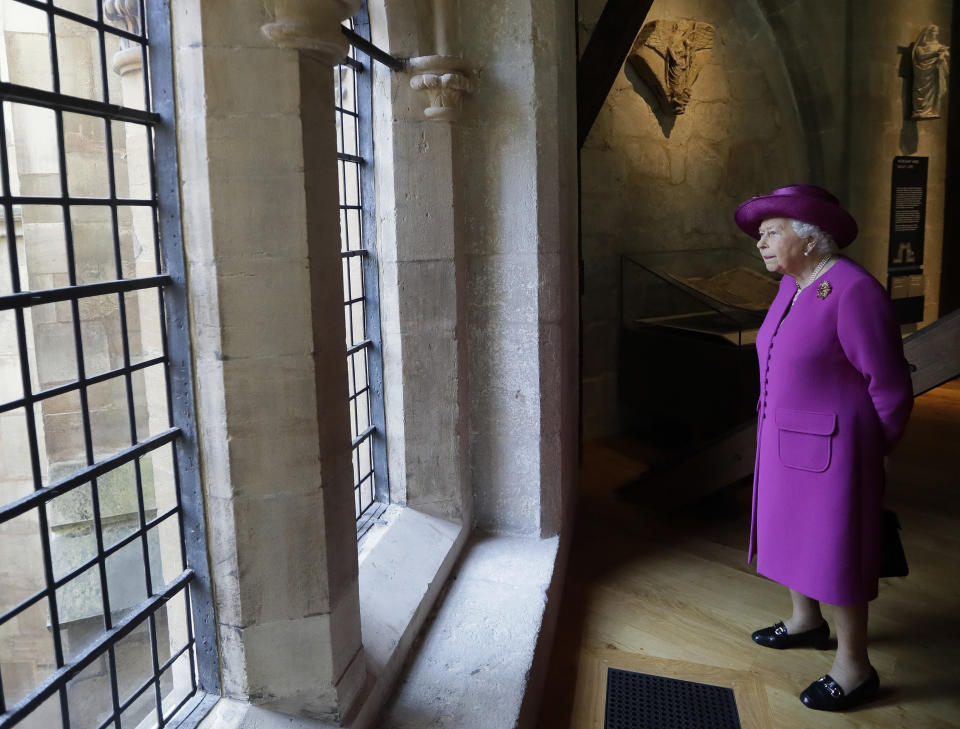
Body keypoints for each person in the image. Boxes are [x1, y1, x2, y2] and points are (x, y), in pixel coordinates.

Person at [734, 184, 914, 711]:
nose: (761, 243)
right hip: (786, 439)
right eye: (761, 235)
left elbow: (889, 383)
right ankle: (806, 622)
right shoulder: (793, 285)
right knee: (792, 537)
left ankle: (855, 668)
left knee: (838, 554)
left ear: (810, 238)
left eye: (772, 233)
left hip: (839, 450)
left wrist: (872, 449)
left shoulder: (853, 289)